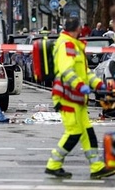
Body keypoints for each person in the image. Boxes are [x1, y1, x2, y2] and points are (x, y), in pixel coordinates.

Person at [45, 17, 115, 179]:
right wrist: (80, 86)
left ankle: (96, 167)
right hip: (67, 97)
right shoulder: (67, 45)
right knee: (74, 132)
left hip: (76, 98)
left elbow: (85, 72)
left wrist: (98, 85)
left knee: (87, 133)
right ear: (77, 29)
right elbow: (66, 71)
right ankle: (53, 164)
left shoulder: (74, 45)